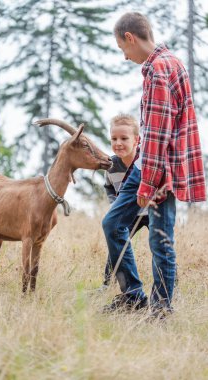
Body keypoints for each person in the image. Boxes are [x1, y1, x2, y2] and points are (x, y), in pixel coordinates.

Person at [102, 12, 206, 317]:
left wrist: (148, 185)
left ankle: (161, 310)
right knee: (113, 223)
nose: (125, 56)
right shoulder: (169, 62)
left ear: (130, 38)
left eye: (123, 49)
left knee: (160, 240)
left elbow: (159, 134)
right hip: (146, 163)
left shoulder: (160, 69)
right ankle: (134, 295)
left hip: (159, 170)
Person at [99, 113, 149, 292]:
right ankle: (107, 284)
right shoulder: (111, 165)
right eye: (114, 138)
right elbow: (108, 187)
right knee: (116, 243)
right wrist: (115, 203)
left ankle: (172, 285)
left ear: (137, 140)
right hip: (127, 214)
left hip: (149, 212)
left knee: (161, 247)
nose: (118, 143)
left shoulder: (145, 161)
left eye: (124, 138)